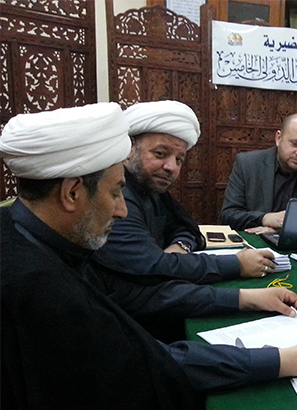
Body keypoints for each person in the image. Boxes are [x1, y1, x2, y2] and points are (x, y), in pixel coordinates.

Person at [0, 103, 297, 410]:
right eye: (114, 192)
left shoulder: (32, 235)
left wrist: (242, 299)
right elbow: (150, 364)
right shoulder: (37, 285)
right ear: (72, 193)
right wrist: (286, 360)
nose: (122, 210)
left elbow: (132, 295)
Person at [97, 100, 275, 283]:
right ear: (130, 148)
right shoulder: (118, 198)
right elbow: (150, 268)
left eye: (179, 159)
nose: (171, 167)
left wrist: (179, 248)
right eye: (160, 154)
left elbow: (187, 229)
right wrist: (237, 264)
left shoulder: (151, 189)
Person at [219, 113, 297, 234]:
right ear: (278, 138)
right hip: (255, 242)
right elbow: (228, 216)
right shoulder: (247, 164)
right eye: (295, 144)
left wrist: (282, 229)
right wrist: (265, 218)